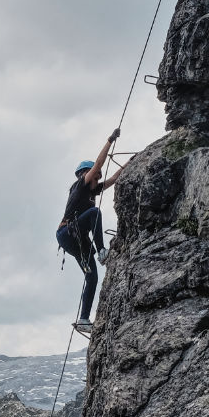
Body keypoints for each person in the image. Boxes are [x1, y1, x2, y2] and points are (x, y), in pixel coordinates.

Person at [57, 127, 120, 332]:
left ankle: (84, 319)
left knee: (91, 276)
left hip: (76, 240)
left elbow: (113, 179)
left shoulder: (92, 189)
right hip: (68, 233)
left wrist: (130, 163)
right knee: (95, 213)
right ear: (85, 174)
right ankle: (102, 250)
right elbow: (99, 163)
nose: (98, 178)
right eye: (95, 175)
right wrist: (110, 140)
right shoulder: (81, 185)